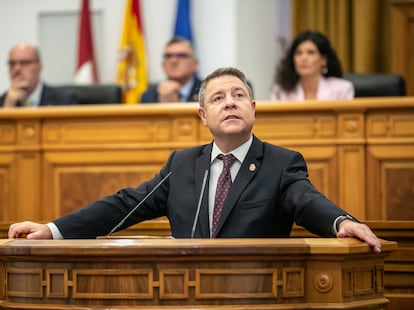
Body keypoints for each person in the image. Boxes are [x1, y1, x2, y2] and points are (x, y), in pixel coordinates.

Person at [8, 67, 381, 253]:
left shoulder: (281, 163)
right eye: (218, 98)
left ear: (253, 109)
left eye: (238, 95)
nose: (230, 102)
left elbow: (306, 200)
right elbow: (124, 205)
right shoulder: (182, 165)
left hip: (256, 299)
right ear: (203, 116)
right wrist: (52, 230)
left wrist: (340, 222)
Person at [271, 30, 354, 101]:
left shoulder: (342, 89)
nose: (303, 58)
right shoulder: (281, 91)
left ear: (323, 60)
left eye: (310, 52)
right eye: (298, 53)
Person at [0, 43, 77, 108]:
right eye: (12, 64)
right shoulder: (3, 102)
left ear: (39, 67)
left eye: (24, 63)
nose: (17, 69)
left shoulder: (64, 101)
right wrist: (8, 107)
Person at [140, 36, 201, 103]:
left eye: (181, 55)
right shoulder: (149, 95)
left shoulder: (207, 92)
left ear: (195, 64)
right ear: (163, 65)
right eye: (168, 56)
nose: (173, 60)